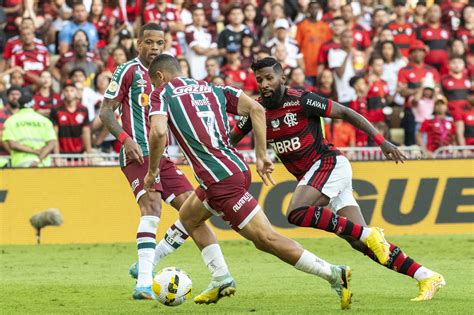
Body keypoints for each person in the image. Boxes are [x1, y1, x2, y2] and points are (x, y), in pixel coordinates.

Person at [143, 53, 387, 309]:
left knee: (266, 240)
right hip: (227, 171)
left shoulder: (163, 93)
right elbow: (256, 109)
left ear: (160, 76)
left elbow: (159, 131)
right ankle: (210, 276)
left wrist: (152, 171)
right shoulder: (211, 88)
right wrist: (260, 155)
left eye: (153, 82)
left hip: (221, 179)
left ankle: (333, 273)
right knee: (190, 217)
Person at [230, 57, 445, 301]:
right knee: (359, 242)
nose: (264, 84)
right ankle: (426, 276)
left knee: (297, 211)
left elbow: (345, 112)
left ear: (282, 78)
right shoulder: (257, 111)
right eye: (259, 80)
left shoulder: (301, 100)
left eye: (269, 78)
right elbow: (230, 140)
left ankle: (369, 234)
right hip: (316, 176)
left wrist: (381, 141)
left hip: (329, 164)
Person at [98, 23, 228, 301]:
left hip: (162, 156)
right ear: (138, 44)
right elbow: (105, 112)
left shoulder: (170, 76)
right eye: (149, 42)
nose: (154, 47)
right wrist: (124, 138)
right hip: (135, 153)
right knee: (152, 206)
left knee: (195, 212)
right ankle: (144, 284)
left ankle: (221, 276)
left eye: (159, 42)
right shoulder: (127, 70)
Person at [397, 40, 440, 146]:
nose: (417, 54)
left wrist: (424, 92)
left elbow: (438, 89)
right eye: (414, 51)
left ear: (425, 53)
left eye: (420, 51)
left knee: (431, 140)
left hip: (429, 110)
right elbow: (402, 91)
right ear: (410, 54)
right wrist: (420, 90)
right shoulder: (404, 70)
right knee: (411, 141)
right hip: (411, 110)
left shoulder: (431, 70)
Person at [2, 93, 56, 167]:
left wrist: (33, 151)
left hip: (21, 163)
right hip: (43, 164)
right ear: (33, 105)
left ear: (18, 105)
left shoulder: (11, 121)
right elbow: (52, 143)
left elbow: (13, 145)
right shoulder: (45, 121)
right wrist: (39, 160)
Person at [50, 81, 91, 155]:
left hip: (79, 152)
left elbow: (86, 132)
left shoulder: (84, 110)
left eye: (72, 90)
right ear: (63, 92)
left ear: (76, 92)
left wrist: (89, 154)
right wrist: (57, 155)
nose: (69, 93)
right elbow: (54, 133)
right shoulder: (56, 110)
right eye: (66, 90)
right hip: (62, 154)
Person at [295, 0, 331, 84]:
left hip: (322, 68)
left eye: (316, 8)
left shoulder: (324, 26)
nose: (314, 10)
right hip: (307, 67)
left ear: (319, 10)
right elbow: (297, 46)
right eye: (312, 8)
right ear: (308, 10)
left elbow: (328, 46)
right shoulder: (302, 25)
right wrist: (301, 64)